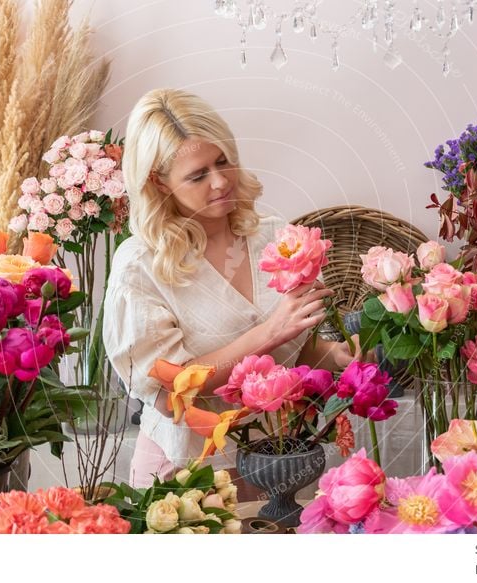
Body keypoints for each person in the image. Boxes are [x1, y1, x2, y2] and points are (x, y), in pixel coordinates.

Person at [103, 88, 361, 487]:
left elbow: (297, 352)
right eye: (198, 175)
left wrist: (336, 356)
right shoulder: (141, 266)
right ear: (158, 182)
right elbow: (173, 390)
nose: (221, 181)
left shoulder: (273, 236)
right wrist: (268, 332)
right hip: (186, 477)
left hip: (280, 460)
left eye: (223, 161)